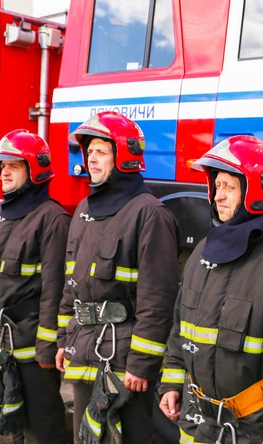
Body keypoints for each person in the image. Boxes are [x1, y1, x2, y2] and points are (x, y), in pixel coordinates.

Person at [158, 135, 263, 444]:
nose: (219, 196)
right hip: (198, 423)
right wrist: (170, 383)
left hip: (254, 428)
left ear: (256, 189)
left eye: (230, 187)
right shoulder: (202, 252)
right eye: (217, 186)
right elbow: (181, 329)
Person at [55, 111, 180, 443]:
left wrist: (141, 362)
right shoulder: (84, 209)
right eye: (89, 151)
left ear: (124, 156)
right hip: (83, 348)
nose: (92, 158)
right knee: (86, 437)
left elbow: (158, 299)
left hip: (125, 362)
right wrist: (63, 340)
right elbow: (71, 285)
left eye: (102, 151)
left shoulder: (150, 214)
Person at [0, 129, 71, 443]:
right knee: (3, 421)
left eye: (13, 165)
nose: (4, 172)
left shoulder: (52, 218)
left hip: (30, 347)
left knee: (42, 425)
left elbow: (55, 290)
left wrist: (47, 346)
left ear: (35, 169)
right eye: (2, 166)